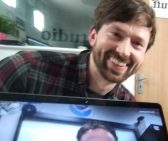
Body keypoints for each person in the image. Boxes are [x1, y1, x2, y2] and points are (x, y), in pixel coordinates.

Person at [0, 0, 156, 101]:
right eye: (116, 34)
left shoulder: (128, 105)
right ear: (93, 36)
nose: (124, 51)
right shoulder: (26, 69)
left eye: (137, 43)